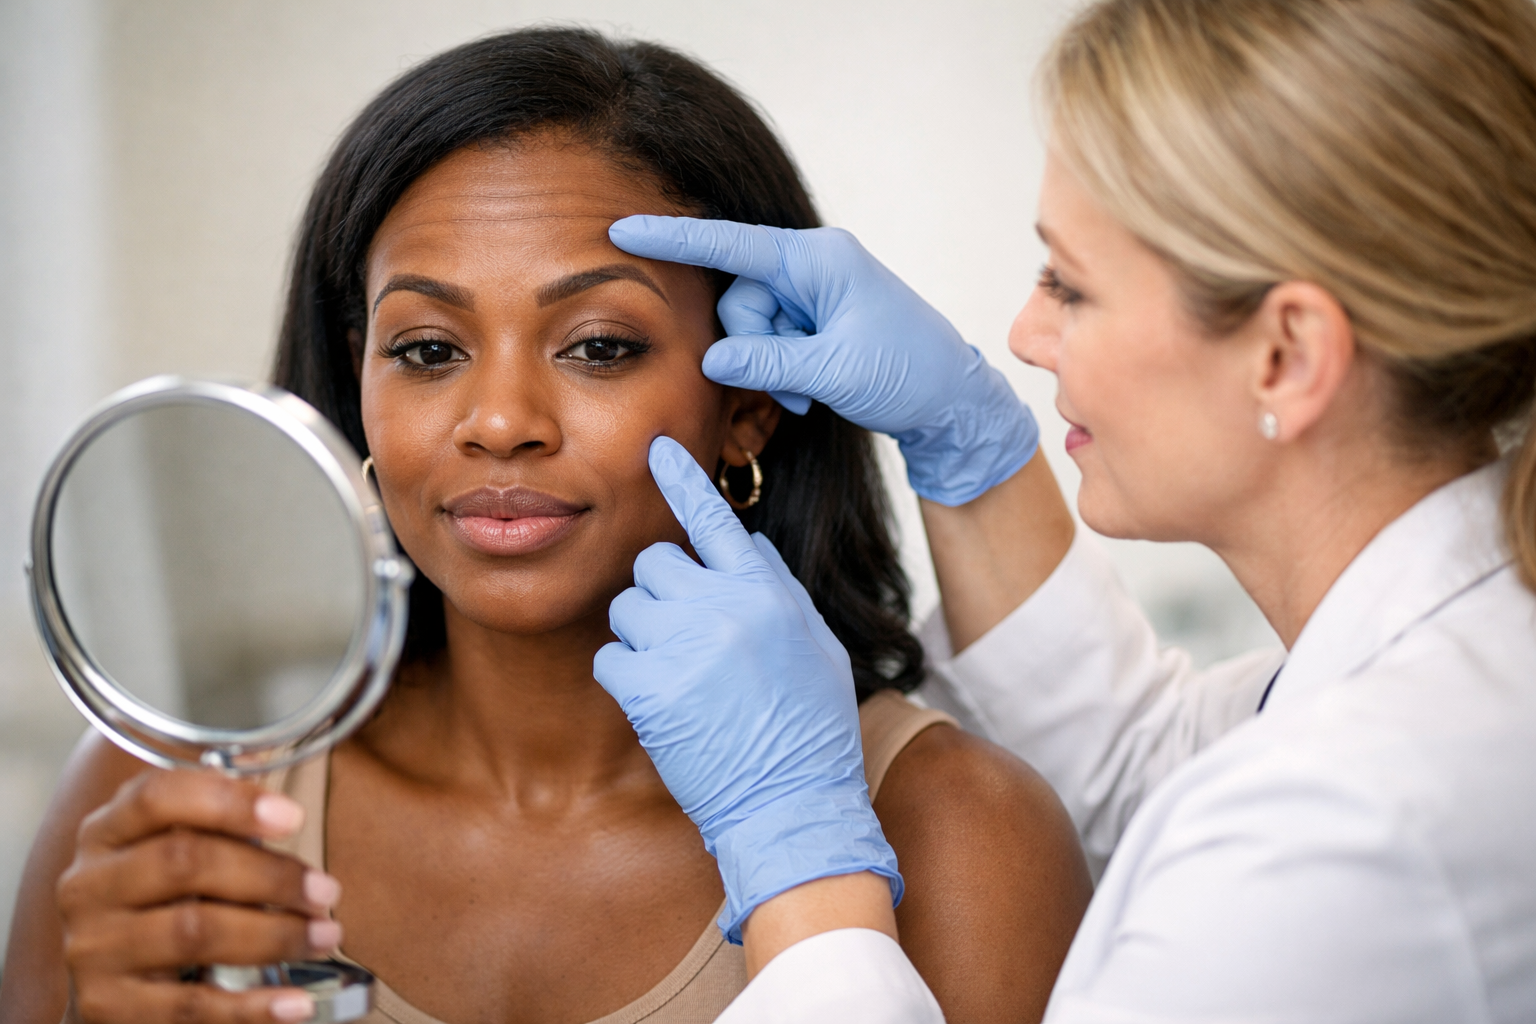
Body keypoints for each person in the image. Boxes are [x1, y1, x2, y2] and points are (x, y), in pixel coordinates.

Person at [0, 28, 1094, 1024]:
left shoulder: (962, 836)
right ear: (356, 379)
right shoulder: (168, 798)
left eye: (599, 345)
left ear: (748, 404)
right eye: (428, 349)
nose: (500, 423)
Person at [591, 0, 1536, 1020]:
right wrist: (963, 442)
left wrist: (800, 869)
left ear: (1287, 355)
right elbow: (1143, 770)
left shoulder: (1348, 831)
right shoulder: (1455, 659)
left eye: (1070, 285)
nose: (1025, 334)